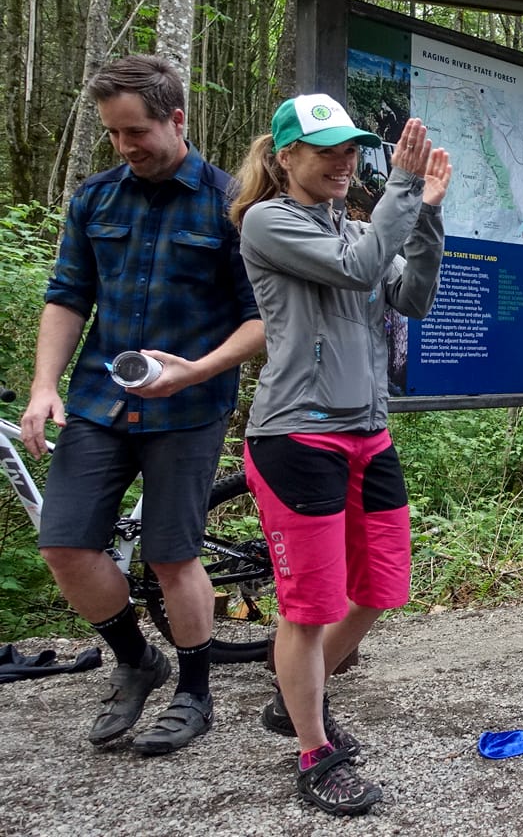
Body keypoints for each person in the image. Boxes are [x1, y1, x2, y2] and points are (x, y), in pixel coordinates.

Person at [19, 55, 264, 754]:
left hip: (190, 406)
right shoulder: (96, 199)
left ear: (176, 118)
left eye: (137, 132)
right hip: (101, 400)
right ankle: (136, 661)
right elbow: (67, 297)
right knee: (65, 543)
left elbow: (259, 319)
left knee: (169, 552)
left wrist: (195, 374)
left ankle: (194, 690)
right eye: (114, 134)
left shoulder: (229, 202)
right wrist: (45, 387)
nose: (126, 147)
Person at [230, 94, 449, 815]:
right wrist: (404, 194)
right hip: (297, 435)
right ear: (285, 157)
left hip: (368, 432)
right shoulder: (269, 223)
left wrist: (428, 218)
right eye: (325, 149)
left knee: (381, 587)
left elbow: (410, 297)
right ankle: (313, 751)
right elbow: (357, 270)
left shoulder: (358, 226)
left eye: (350, 148)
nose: (343, 160)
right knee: (310, 606)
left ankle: (295, 698)